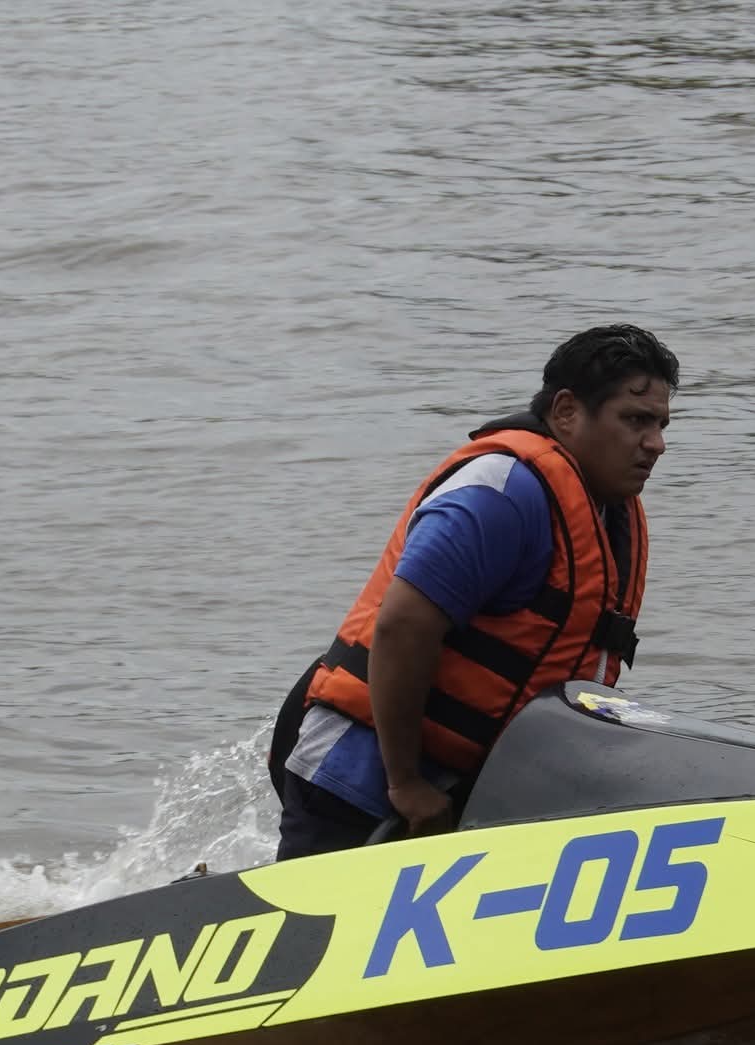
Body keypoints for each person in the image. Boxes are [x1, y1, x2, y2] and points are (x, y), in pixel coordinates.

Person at [268, 324, 678, 861]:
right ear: (566, 411)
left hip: (463, 792)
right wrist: (406, 784)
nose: (656, 443)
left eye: (661, 424)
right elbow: (403, 627)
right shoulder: (501, 494)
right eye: (635, 420)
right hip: (360, 784)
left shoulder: (607, 516)